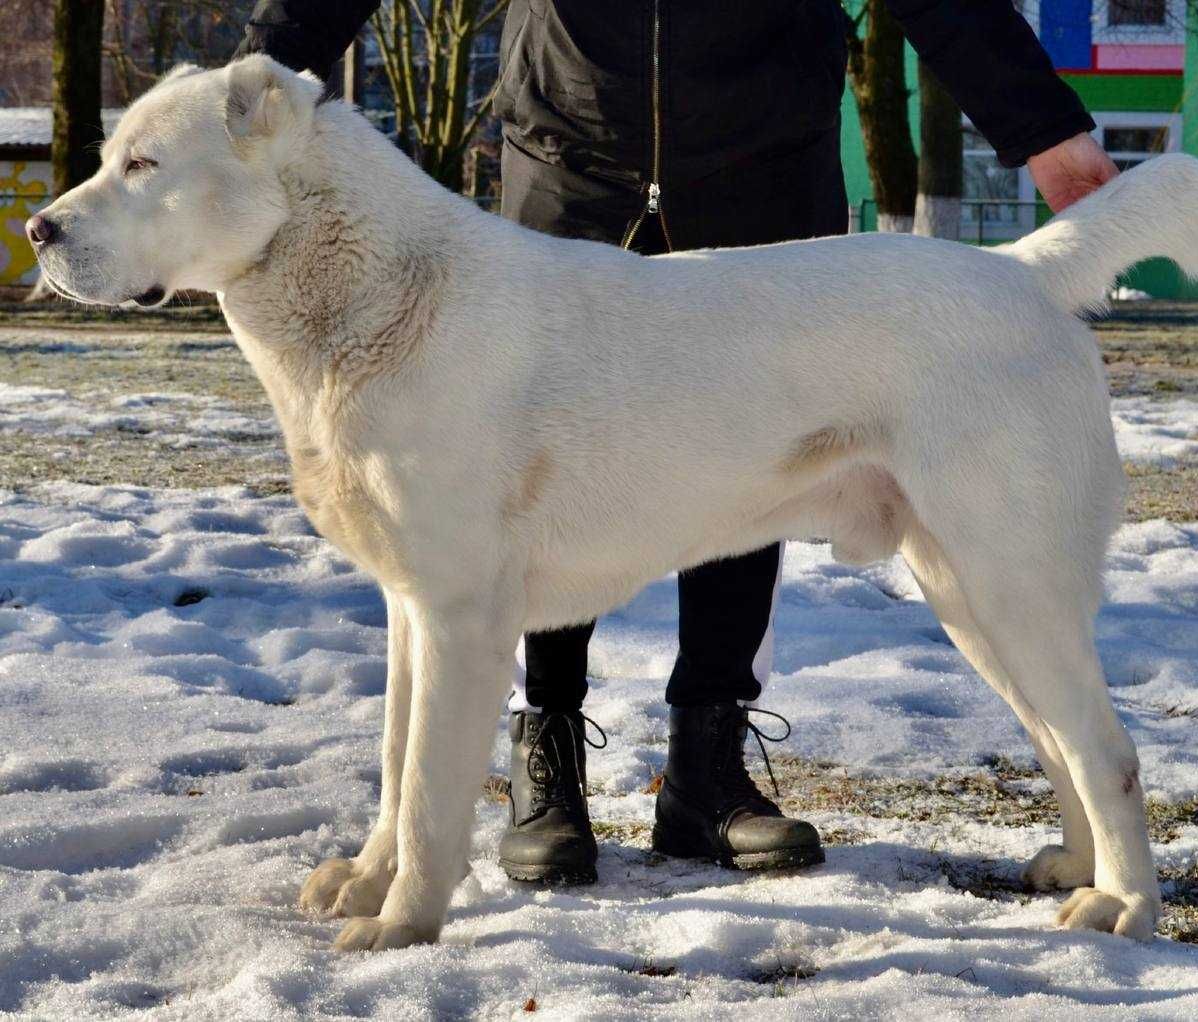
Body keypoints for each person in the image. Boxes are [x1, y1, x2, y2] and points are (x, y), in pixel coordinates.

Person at [236, 0, 1119, 886]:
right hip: (568, 150)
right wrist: (247, 80)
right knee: (507, 486)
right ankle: (545, 758)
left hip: (763, 158)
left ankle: (710, 763)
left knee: (752, 464)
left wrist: (1042, 128)